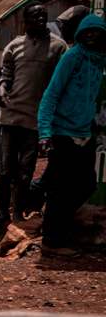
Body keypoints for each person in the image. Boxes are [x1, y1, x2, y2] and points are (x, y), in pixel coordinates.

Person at [36, 14, 106, 256]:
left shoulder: (98, 61)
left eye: (96, 33)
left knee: (85, 185)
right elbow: (51, 94)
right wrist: (45, 133)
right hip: (62, 132)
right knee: (61, 190)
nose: (92, 37)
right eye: (88, 33)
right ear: (80, 35)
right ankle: (51, 242)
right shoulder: (73, 57)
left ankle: (57, 229)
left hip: (84, 133)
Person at [0, 4, 68, 227]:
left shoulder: (58, 47)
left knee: (25, 172)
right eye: (35, 16)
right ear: (25, 21)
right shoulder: (14, 46)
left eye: (44, 16)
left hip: (36, 120)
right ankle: (1, 213)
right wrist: (2, 88)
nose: (41, 19)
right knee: (5, 170)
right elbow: (5, 75)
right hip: (9, 116)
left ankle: (18, 213)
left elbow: (60, 84)